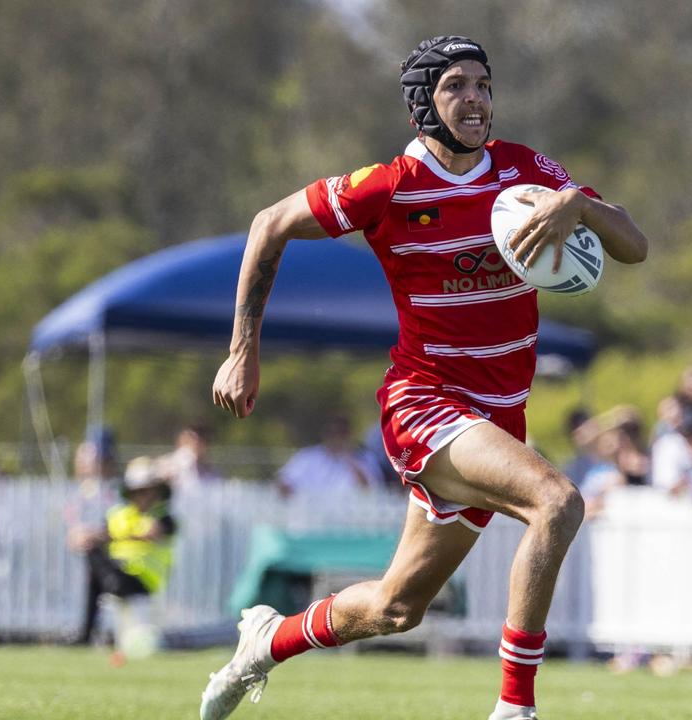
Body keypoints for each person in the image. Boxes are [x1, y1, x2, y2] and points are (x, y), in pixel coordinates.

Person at [204, 35, 648, 720]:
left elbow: (634, 245)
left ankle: (266, 641)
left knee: (395, 607)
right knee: (556, 502)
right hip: (427, 404)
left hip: (498, 418)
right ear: (423, 106)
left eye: (483, 85)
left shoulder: (526, 172)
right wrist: (242, 349)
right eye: (456, 87)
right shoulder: (390, 187)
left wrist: (580, 206)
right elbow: (270, 223)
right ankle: (515, 709)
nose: (475, 99)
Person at [67, 456, 177, 646]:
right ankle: (86, 632)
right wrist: (84, 536)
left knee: (94, 555)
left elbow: (151, 532)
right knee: (92, 556)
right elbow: (102, 533)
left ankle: (86, 633)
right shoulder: (118, 515)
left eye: (147, 491)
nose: (143, 496)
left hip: (142, 581)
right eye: (138, 491)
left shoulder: (164, 517)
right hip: (116, 573)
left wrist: (101, 537)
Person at [275, 414, 379, 498]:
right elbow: (284, 482)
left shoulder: (364, 457)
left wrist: (349, 458)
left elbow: (371, 490)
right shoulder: (307, 457)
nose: (336, 438)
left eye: (342, 433)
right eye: (332, 433)